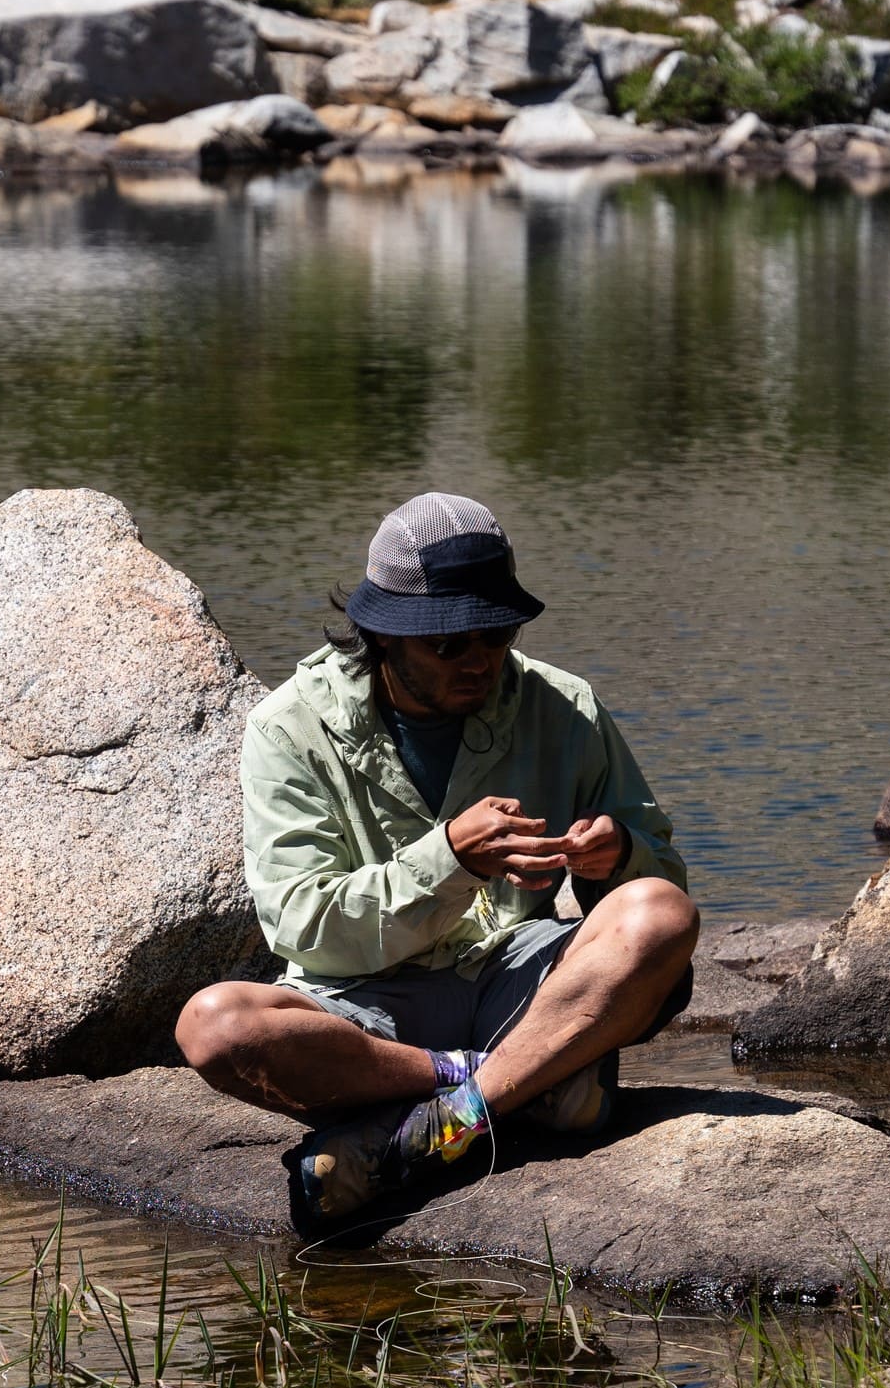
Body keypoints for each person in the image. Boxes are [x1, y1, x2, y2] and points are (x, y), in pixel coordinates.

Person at [175, 492, 700, 1232]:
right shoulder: (288, 728)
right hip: (365, 1001)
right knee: (215, 1026)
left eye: (495, 632)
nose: (480, 659)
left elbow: (663, 882)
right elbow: (304, 928)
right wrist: (449, 857)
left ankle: (444, 1125)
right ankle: (518, 1081)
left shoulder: (564, 705)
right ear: (382, 636)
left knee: (662, 917)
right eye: (448, 643)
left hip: (513, 974)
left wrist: (615, 858)